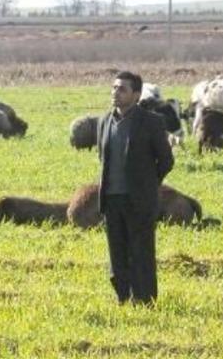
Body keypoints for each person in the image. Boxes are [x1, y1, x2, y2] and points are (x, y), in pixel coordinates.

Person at [97, 71, 174, 305]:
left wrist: (148, 184)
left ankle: (144, 300)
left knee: (141, 252)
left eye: (122, 89)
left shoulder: (150, 122)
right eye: (114, 88)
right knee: (117, 252)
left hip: (139, 200)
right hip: (111, 199)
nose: (116, 93)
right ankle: (123, 296)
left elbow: (166, 160)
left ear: (136, 95)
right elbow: (103, 157)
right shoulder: (104, 122)